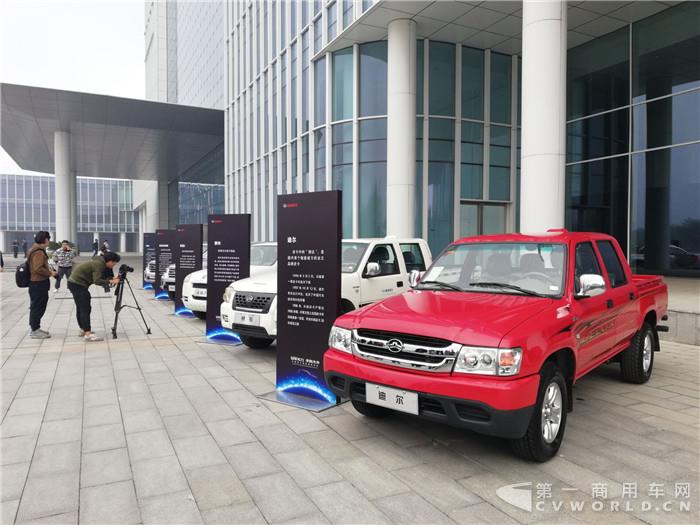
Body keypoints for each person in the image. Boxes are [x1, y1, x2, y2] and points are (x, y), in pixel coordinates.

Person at [68, 251, 120, 342]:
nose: (114, 266)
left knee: (81, 308)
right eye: (114, 263)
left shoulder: (99, 261)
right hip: (77, 284)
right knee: (85, 308)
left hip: (74, 283)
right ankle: (87, 334)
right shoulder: (99, 264)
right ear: (110, 261)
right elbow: (97, 281)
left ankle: (83, 329)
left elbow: (98, 277)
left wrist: (111, 278)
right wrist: (111, 281)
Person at [27, 231, 57, 339]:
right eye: (48, 239)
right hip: (38, 283)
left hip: (37, 283)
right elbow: (38, 268)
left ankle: (36, 328)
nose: (49, 241)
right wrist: (50, 273)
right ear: (45, 240)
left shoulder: (34, 249)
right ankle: (34, 330)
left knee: (37, 306)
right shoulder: (38, 252)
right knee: (38, 306)